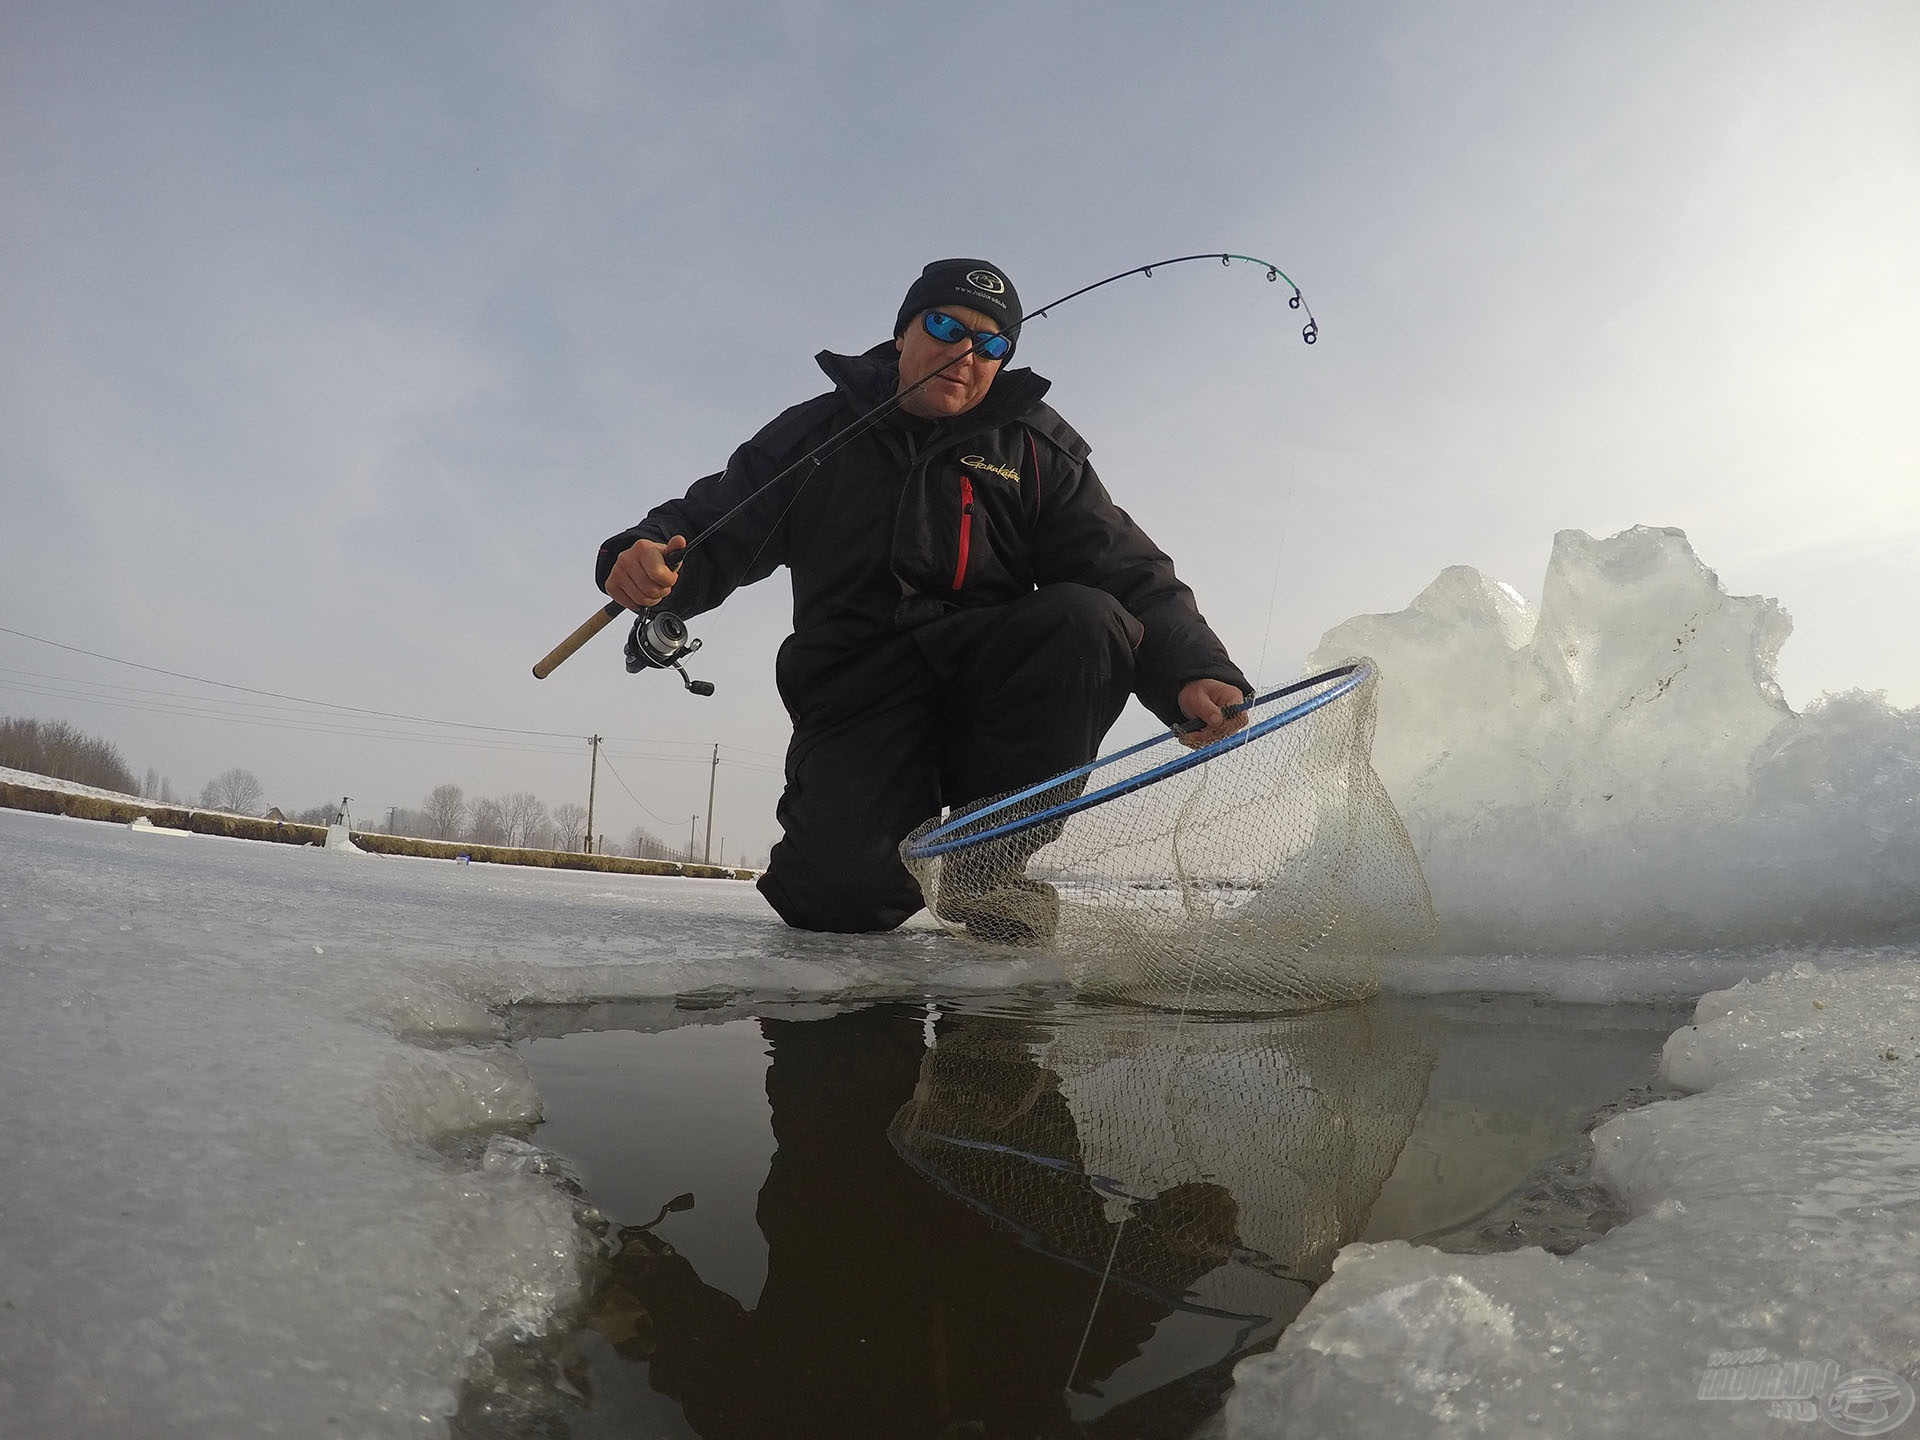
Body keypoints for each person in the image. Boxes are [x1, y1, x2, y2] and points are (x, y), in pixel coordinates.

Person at [597, 258, 1250, 935]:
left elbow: (1129, 570)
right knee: (838, 902)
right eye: (945, 325)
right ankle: (859, 851)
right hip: (859, 692)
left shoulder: (1034, 449)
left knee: (1086, 620)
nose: (965, 353)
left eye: (992, 343)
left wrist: (1194, 670)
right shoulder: (819, 437)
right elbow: (714, 521)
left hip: (987, 681)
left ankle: (989, 866)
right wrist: (644, 552)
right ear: (903, 332)